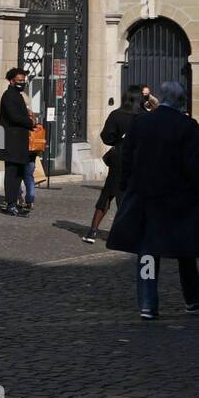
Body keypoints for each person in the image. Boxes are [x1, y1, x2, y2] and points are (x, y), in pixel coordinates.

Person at [107, 81, 199, 320]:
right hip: (179, 198)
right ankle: (192, 300)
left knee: (147, 252)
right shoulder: (188, 126)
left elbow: (127, 156)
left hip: (145, 195)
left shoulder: (142, 122)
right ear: (181, 101)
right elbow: (193, 165)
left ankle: (148, 305)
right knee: (186, 252)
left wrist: (126, 186)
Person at [82, 87, 145, 244]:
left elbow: (106, 137)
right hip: (138, 160)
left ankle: (93, 231)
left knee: (108, 194)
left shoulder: (116, 115)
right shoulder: (145, 117)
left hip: (119, 158)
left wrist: (117, 140)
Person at [0, 67, 34, 217]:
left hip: (16, 141)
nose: (22, 83)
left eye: (23, 81)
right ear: (11, 81)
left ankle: (13, 202)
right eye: (19, 81)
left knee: (18, 173)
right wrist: (30, 122)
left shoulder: (16, 95)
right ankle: (10, 203)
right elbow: (14, 117)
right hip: (11, 142)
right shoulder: (9, 95)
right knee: (12, 173)